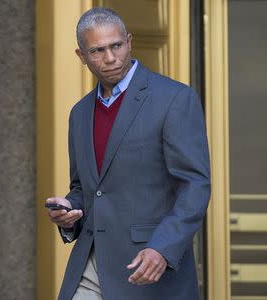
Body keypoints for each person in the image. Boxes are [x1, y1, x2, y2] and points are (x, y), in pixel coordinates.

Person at [45, 7, 211, 300]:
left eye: (116, 46)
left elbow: (195, 186)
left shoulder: (174, 99)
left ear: (129, 42)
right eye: (97, 50)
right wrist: (69, 210)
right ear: (81, 56)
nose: (110, 58)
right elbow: (85, 189)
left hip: (148, 269)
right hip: (90, 266)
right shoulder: (80, 113)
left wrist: (163, 247)